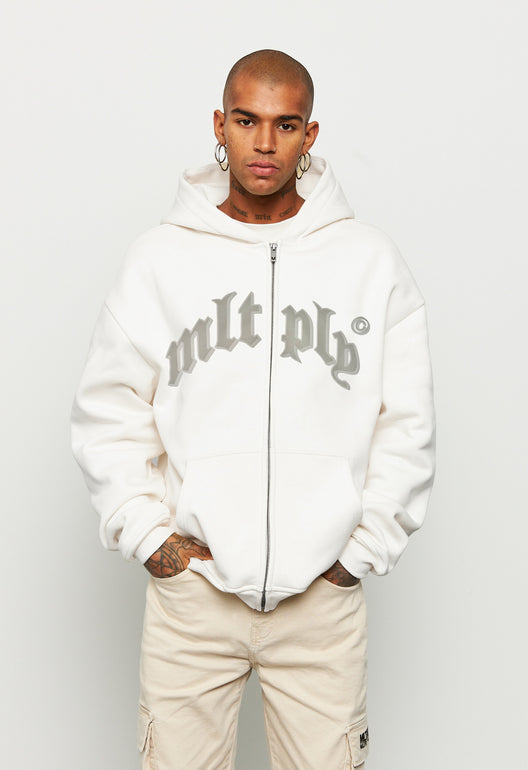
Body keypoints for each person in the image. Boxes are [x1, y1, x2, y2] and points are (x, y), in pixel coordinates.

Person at [70, 49, 436, 770]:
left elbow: (408, 425)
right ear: (220, 125)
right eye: (246, 121)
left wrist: (358, 554)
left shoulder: (368, 262)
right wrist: (154, 542)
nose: (264, 143)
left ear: (309, 135)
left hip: (320, 608)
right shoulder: (160, 259)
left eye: (285, 124)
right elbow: (108, 412)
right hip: (194, 606)